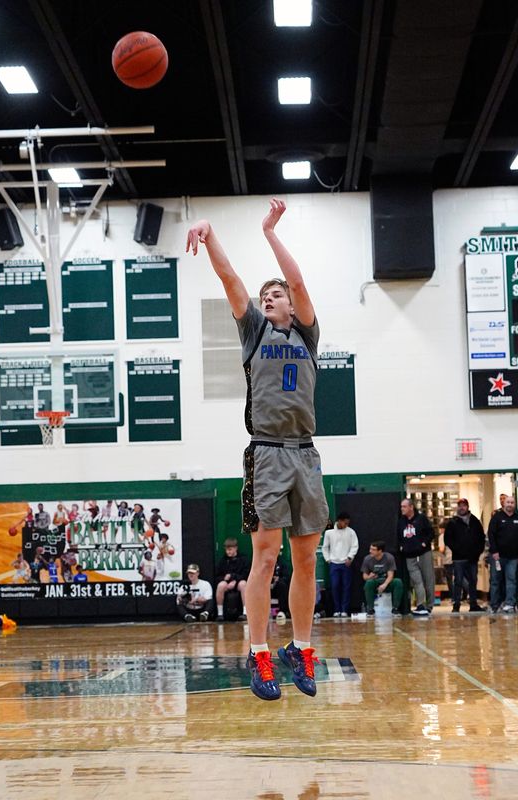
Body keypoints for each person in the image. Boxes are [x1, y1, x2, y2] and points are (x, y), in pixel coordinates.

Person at [187, 198, 329, 701]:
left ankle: (302, 647)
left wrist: (270, 232)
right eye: (266, 293)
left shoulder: (308, 335)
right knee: (266, 558)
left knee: (307, 559)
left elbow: (301, 282)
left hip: (306, 454)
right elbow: (231, 282)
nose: (269, 297)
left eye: (277, 293)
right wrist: (210, 235)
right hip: (267, 452)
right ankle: (260, 654)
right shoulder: (255, 331)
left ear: (291, 303)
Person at [443, 498, 486, 613]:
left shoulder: (475, 521)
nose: (462, 508)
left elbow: (481, 538)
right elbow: (448, 539)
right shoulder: (452, 522)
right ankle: (456, 604)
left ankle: (473, 604)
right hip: (458, 558)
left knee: (473, 580)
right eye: (460, 505)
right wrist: (457, 549)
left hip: (472, 557)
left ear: (467, 507)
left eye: (464, 505)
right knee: (458, 581)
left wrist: (478, 552)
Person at [487, 495, 518, 613]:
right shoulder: (497, 517)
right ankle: (494, 605)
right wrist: (494, 551)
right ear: (504, 504)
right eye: (508, 502)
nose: (509, 504)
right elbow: (491, 535)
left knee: (511, 580)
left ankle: (509, 603)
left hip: (513, 557)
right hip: (497, 556)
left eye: (512, 502)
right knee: (495, 581)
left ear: (515, 505)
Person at [397, 498, 435, 616]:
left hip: (424, 553)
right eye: (401, 506)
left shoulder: (421, 518)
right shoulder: (401, 521)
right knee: (417, 581)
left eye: (404, 506)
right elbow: (399, 535)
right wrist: (402, 546)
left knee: (428, 579)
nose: (402, 509)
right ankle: (420, 605)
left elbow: (431, 533)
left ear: (411, 507)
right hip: (410, 556)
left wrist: (424, 543)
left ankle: (429, 605)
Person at [322, 512, 359, 617]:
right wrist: (328, 559)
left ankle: (344, 610)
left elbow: (354, 546)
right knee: (335, 586)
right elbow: (325, 547)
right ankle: (336, 609)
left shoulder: (351, 532)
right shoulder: (329, 533)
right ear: (339, 521)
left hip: (346, 563)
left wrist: (350, 557)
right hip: (334, 563)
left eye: (348, 523)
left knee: (346, 587)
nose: (346, 525)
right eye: (345, 523)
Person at [360, 541, 403, 616]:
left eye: (373, 550)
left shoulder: (389, 557)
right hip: (375, 581)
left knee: (398, 582)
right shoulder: (367, 559)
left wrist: (384, 585)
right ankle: (370, 609)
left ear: (380, 551)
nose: (370, 551)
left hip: (386, 581)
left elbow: (391, 575)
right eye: (370, 549)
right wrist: (370, 576)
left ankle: (395, 608)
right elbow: (364, 577)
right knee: (368, 583)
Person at [214, 538, 250, 621]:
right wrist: (224, 579)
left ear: (236, 548)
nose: (228, 552)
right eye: (226, 550)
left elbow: (246, 574)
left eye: (230, 549)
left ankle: (245, 613)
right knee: (220, 585)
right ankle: (220, 614)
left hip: (239, 582)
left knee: (243, 584)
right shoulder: (223, 561)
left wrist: (234, 579)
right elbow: (217, 576)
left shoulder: (243, 559)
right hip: (227, 583)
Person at [270, 551, 290, 619]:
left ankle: (282, 611)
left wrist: (278, 579)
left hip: (277, 588)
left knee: (282, 585)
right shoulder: (264, 563)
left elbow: (286, 577)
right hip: (266, 587)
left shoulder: (283, 563)